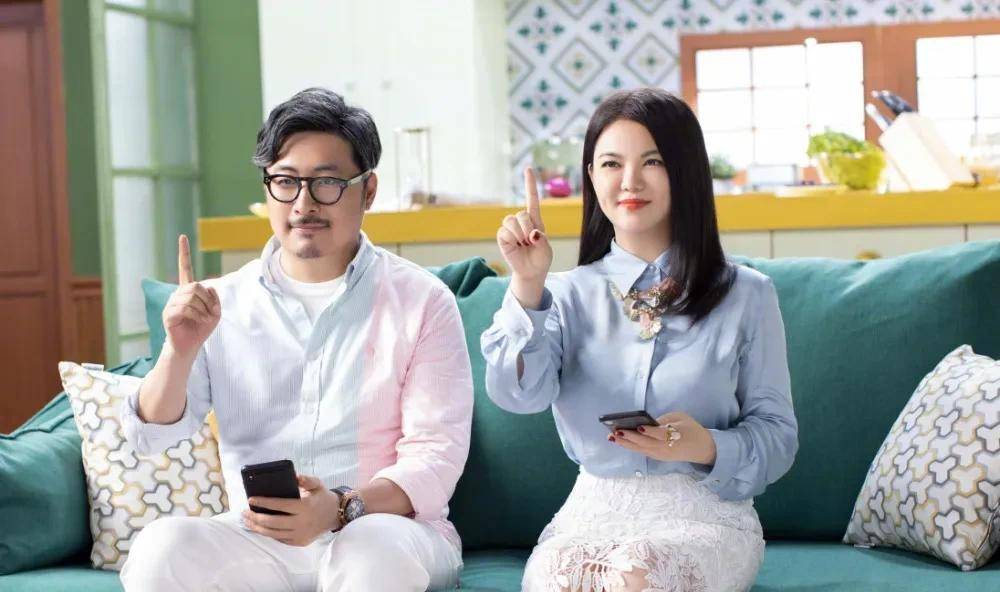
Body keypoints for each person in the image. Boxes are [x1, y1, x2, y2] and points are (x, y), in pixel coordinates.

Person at [119, 88, 473, 591]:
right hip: (261, 540)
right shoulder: (222, 303)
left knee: (369, 551)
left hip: (389, 532)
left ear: (368, 191)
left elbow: (435, 460)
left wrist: (340, 507)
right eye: (286, 181)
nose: (304, 204)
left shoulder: (423, 301)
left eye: (327, 182)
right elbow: (148, 437)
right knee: (161, 548)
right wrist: (179, 351)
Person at [481, 87, 798, 592]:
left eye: (653, 161)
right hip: (589, 518)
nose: (629, 181)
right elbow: (517, 395)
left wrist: (706, 445)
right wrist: (526, 283)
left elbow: (778, 437)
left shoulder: (747, 294)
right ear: (591, 176)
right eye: (611, 164)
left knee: (638, 573)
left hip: (706, 518)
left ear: (685, 171)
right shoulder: (560, 294)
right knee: (561, 579)